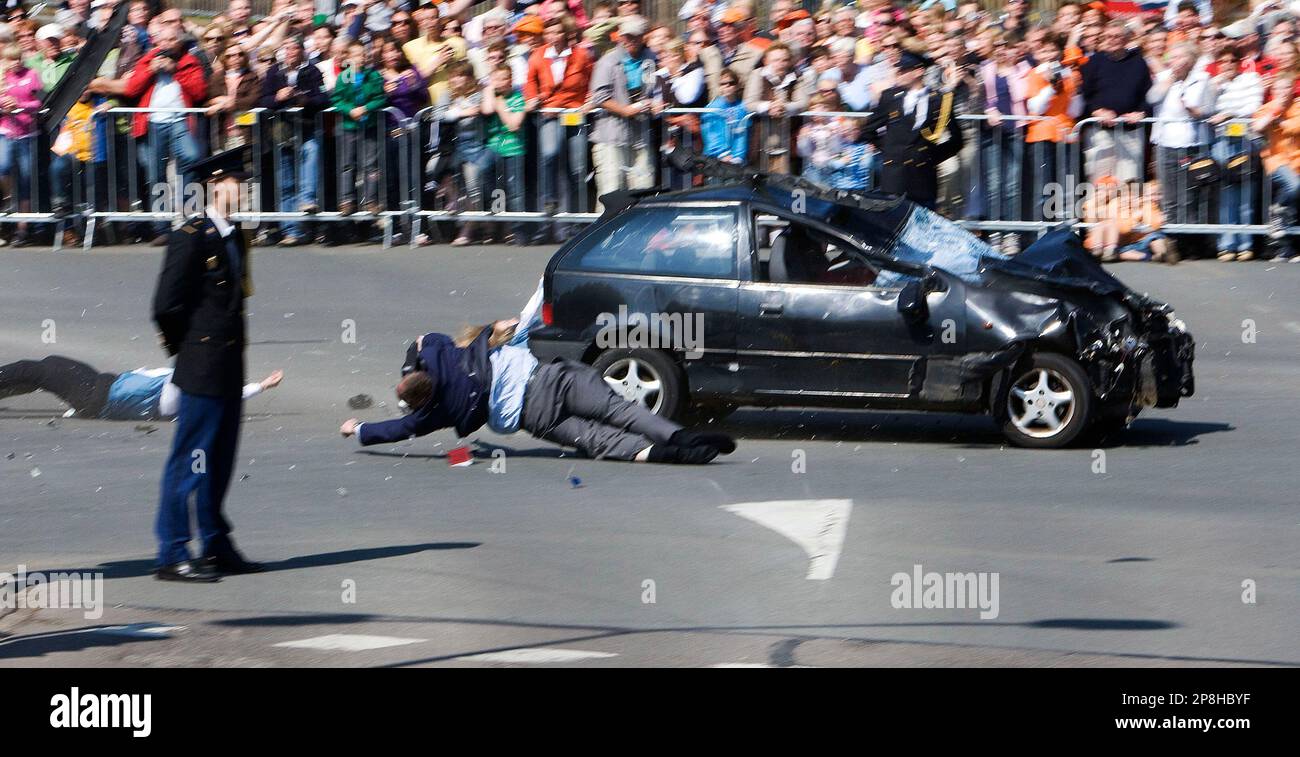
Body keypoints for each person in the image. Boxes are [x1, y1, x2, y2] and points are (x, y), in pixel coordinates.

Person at [339, 283, 736, 464]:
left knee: (599, 441)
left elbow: (399, 430)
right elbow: (424, 338)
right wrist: (411, 363)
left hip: (537, 418)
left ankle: (672, 454)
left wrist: (359, 430)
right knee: (622, 411)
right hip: (554, 381)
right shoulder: (455, 353)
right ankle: (681, 436)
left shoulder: (433, 413)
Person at [151, 145, 261, 583]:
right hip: (202, 363)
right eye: (238, 182)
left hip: (229, 362)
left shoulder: (237, 235)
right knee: (189, 459)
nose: (245, 189)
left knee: (219, 459)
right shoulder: (192, 235)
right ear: (216, 185)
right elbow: (165, 305)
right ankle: (172, 550)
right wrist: (190, 351)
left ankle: (215, 542)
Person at [0, 356, 282, 420]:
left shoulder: (177, 397)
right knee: (46, 366)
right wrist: (260, 386)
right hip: (101, 386)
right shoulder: (184, 401)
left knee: (33, 369)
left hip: (94, 394)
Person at [859, 51, 963, 209]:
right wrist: (890, 150)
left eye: (903, 71)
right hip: (894, 178)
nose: (898, 74)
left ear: (918, 71)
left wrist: (929, 156)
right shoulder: (890, 97)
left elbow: (957, 140)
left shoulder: (939, 100)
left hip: (923, 178)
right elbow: (869, 131)